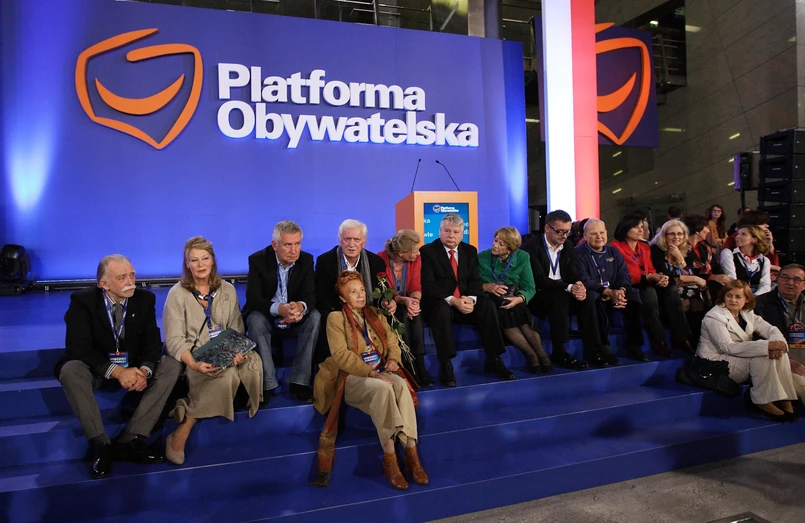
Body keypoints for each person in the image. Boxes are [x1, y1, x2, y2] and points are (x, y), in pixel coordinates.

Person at [55, 255, 181, 479]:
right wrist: (116, 371)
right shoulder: (82, 301)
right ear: (104, 284)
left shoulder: (144, 299)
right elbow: (78, 347)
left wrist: (145, 371)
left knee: (171, 365)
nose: (130, 282)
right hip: (97, 366)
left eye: (132, 275)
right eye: (122, 278)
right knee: (70, 370)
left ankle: (131, 440)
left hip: (132, 365)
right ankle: (100, 444)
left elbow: (152, 343)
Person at [312, 271, 428, 490]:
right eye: (353, 292)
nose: (360, 295)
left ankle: (411, 453)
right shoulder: (335, 318)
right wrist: (371, 373)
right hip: (351, 377)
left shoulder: (375, 313)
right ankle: (390, 458)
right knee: (383, 388)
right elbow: (341, 356)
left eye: (362, 290)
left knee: (400, 384)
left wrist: (393, 359)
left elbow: (393, 341)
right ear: (343, 298)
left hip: (381, 369)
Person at [163, 236, 263, 465]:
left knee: (252, 362)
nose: (201, 265)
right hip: (195, 354)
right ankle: (183, 429)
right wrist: (194, 363)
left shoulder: (227, 289)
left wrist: (236, 352)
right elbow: (174, 340)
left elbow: (237, 327)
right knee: (224, 375)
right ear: (187, 264)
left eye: (205, 258)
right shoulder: (177, 294)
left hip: (225, 348)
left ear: (213, 260)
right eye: (194, 260)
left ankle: (187, 406)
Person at [420, 214, 515, 386]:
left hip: (465, 299)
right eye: (447, 231)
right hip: (443, 301)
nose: (451, 235)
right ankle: (446, 364)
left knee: (487, 305)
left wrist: (471, 299)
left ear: (462, 233)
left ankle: (494, 359)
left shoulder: (469, 250)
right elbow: (428, 285)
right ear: (439, 231)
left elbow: (475, 281)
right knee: (440, 310)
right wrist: (453, 300)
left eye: (456, 232)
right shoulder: (427, 252)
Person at [697, 280, 797, 421]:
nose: (733, 300)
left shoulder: (746, 312)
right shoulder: (714, 316)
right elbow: (728, 347)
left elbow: (771, 329)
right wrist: (768, 346)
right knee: (763, 357)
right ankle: (762, 401)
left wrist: (779, 344)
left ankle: (786, 400)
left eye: (738, 297)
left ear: (747, 299)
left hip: (739, 355)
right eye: (729, 296)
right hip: (715, 361)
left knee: (779, 354)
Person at [243, 220, 320, 405]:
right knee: (255, 319)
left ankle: (300, 382)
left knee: (315, 317)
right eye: (288, 245)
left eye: (297, 244)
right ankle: (267, 384)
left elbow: (311, 295)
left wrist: (299, 307)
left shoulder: (306, 260)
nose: (294, 250)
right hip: (268, 316)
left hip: (295, 316)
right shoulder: (258, 260)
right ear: (275, 245)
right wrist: (279, 309)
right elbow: (253, 298)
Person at [315, 219, 395, 365]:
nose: (351, 244)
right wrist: (349, 315)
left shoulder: (376, 262)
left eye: (356, 239)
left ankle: (388, 362)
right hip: (338, 314)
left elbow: (381, 295)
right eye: (347, 239)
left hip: (368, 312)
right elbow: (323, 298)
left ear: (364, 241)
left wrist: (387, 302)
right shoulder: (325, 261)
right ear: (340, 240)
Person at [522, 209, 593, 370]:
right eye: (560, 231)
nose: (564, 236)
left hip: (562, 291)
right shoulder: (531, 247)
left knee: (590, 296)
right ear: (547, 228)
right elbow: (539, 280)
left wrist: (579, 285)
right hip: (538, 295)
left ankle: (595, 347)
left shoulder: (568, 246)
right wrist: (569, 287)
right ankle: (559, 352)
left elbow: (573, 273)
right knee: (560, 297)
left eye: (567, 232)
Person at [479, 226, 552, 373]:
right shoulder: (482, 257)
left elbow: (529, 287)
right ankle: (531, 355)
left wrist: (519, 298)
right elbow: (473, 283)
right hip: (491, 300)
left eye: (501, 244)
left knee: (519, 309)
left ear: (510, 249)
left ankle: (542, 354)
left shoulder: (523, 257)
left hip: (515, 298)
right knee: (504, 311)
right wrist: (487, 287)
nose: (495, 245)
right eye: (495, 240)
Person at [610, 214, 684, 358]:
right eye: (635, 227)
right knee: (648, 292)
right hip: (629, 285)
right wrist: (648, 277)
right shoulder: (615, 247)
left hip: (647, 282)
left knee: (671, 289)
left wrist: (660, 278)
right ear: (625, 228)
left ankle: (681, 337)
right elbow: (622, 275)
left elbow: (650, 269)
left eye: (641, 227)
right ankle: (659, 340)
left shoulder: (644, 247)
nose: (640, 230)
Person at [573, 218, 642, 365]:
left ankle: (634, 344)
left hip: (613, 293)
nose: (599, 237)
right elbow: (583, 280)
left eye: (602, 233)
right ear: (585, 236)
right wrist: (608, 292)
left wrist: (621, 291)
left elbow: (624, 274)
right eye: (594, 234)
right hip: (594, 294)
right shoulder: (577, 253)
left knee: (633, 295)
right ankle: (600, 347)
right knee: (592, 297)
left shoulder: (613, 251)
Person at [377, 229, 434, 387]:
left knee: (416, 314)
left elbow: (415, 283)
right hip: (389, 304)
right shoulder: (380, 259)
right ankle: (408, 365)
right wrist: (403, 300)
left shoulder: (416, 260)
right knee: (402, 314)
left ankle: (419, 363)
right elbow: (386, 291)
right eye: (415, 250)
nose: (418, 253)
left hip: (407, 300)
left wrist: (414, 301)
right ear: (401, 253)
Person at [754, 264, 805, 406]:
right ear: (777, 279)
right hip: (783, 363)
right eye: (785, 278)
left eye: (796, 280)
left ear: (804, 285)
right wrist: (787, 361)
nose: (790, 283)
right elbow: (756, 339)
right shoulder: (760, 304)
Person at [646, 219, 698, 353]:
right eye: (672, 234)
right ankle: (682, 337)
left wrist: (680, 258)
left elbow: (691, 271)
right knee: (675, 290)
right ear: (664, 235)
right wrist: (686, 271)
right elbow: (665, 274)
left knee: (699, 295)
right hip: (661, 285)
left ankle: (697, 339)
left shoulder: (687, 249)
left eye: (680, 234)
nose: (676, 237)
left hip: (681, 285)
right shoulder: (656, 249)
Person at [681, 215, 731, 345]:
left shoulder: (704, 246)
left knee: (724, 288)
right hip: (688, 282)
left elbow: (714, 265)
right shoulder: (682, 247)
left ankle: (722, 331)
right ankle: (699, 339)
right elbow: (687, 271)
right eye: (706, 228)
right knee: (704, 293)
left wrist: (722, 276)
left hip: (706, 280)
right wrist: (712, 277)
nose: (708, 231)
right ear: (697, 230)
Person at [720, 225, 772, 295]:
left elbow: (765, 285)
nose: (737, 237)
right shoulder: (728, 254)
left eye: (743, 234)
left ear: (754, 239)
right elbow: (732, 281)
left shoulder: (764, 260)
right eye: (738, 234)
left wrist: (755, 297)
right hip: (736, 294)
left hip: (757, 296)